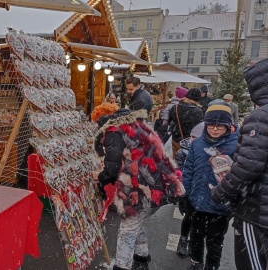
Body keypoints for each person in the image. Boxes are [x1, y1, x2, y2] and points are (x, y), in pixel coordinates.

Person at [94, 108, 184, 270]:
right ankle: (141, 259)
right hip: (162, 183)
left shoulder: (113, 131)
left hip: (141, 189)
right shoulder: (138, 127)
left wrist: (100, 176)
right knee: (137, 222)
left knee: (127, 230)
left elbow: (112, 167)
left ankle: (123, 266)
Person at [211, 58, 268, 270]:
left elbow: (248, 167)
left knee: (251, 264)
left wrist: (221, 192)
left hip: (255, 210)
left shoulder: (260, 117)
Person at [182, 102, 237, 270]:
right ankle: (196, 263)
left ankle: (211, 266)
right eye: (211, 125)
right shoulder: (198, 144)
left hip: (221, 204)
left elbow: (241, 175)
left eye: (219, 126)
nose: (214, 129)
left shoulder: (236, 145)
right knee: (196, 237)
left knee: (215, 242)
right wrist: (185, 194)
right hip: (198, 200)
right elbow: (189, 169)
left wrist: (234, 202)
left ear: (228, 126)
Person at [175, 122, 205, 257]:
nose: (193, 140)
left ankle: (195, 242)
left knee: (200, 220)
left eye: (196, 138)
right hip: (188, 190)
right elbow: (179, 172)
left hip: (202, 190)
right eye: (192, 137)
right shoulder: (183, 152)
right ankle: (183, 239)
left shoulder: (208, 150)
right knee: (188, 216)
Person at [167, 88, 204, 158]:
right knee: (188, 161)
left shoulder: (176, 107)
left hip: (176, 138)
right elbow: (198, 128)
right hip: (190, 141)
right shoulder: (198, 111)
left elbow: (170, 122)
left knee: (175, 160)